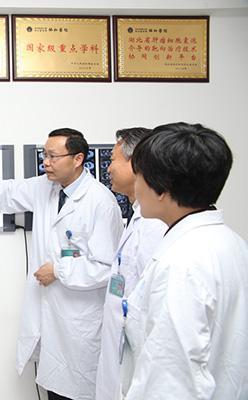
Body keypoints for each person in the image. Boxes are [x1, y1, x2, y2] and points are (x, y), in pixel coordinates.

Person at [0, 128, 124, 400]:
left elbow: (106, 267)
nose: (46, 162)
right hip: (53, 318)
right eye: (45, 155)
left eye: (53, 156)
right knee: (55, 389)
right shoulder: (46, 187)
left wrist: (58, 270)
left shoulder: (100, 202)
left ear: (78, 159)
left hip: (80, 322)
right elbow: (6, 192)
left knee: (81, 391)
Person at [121, 122, 248, 399]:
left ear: (161, 189)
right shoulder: (231, 243)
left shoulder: (181, 264)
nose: (135, 185)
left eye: (139, 175)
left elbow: (170, 381)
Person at [94, 128, 167, 400]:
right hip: (122, 346)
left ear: (137, 163)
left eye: (113, 159)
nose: (108, 167)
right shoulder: (137, 215)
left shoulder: (154, 224)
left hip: (139, 355)